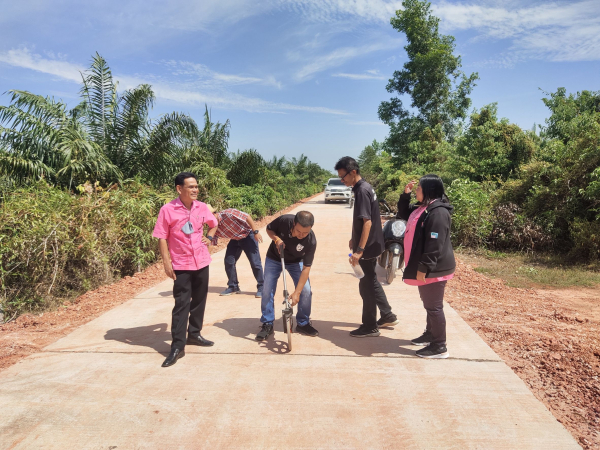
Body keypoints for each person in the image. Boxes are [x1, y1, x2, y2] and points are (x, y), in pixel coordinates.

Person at [152, 172, 218, 367]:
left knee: (199, 300)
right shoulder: (168, 209)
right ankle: (178, 346)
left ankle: (195, 334)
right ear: (179, 189)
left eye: (196, 186)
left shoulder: (202, 207)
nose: (195, 190)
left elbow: (214, 223)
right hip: (181, 264)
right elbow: (162, 236)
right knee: (182, 304)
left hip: (202, 261)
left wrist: (210, 237)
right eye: (191, 187)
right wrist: (166, 262)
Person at [334, 156, 398, 337]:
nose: (342, 180)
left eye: (343, 176)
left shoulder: (362, 191)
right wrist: (355, 239)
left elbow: (367, 222)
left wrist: (359, 250)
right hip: (372, 243)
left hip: (367, 248)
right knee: (370, 280)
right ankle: (387, 315)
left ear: (353, 172)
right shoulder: (365, 187)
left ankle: (370, 326)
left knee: (366, 286)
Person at [397, 175, 456, 359]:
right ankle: (431, 335)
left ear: (429, 190)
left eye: (419, 188)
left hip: (434, 268)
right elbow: (403, 215)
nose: (416, 191)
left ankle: (439, 346)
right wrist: (405, 196)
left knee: (434, 306)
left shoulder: (438, 213)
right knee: (429, 304)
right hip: (429, 267)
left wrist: (424, 268)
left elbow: (434, 244)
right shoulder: (424, 208)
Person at [256, 211, 319, 341]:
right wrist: (277, 239)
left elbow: (306, 268)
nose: (301, 235)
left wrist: (297, 292)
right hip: (274, 258)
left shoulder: (310, 241)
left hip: (297, 262)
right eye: (298, 231)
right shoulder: (285, 220)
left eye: (305, 233)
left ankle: (303, 322)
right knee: (267, 288)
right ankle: (267, 323)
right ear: (294, 223)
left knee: (306, 290)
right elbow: (269, 229)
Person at [206, 208, 264, 298]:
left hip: (248, 235)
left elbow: (247, 216)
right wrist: (206, 258)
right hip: (235, 239)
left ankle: (262, 287)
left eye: (210, 217)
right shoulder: (213, 227)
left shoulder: (229, 213)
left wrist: (255, 231)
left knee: (255, 262)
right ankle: (233, 286)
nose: (209, 221)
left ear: (214, 214)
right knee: (229, 261)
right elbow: (210, 243)